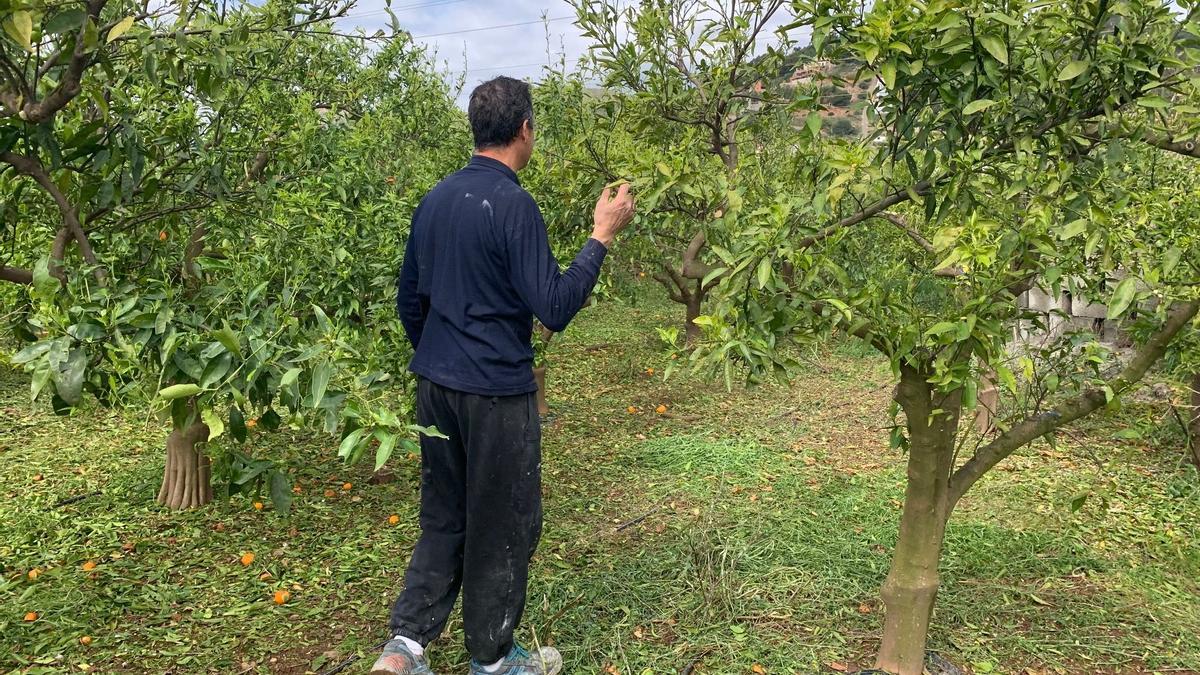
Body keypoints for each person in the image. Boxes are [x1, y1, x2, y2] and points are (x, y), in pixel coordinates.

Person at [371, 76, 636, 675]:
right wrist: (602, 235)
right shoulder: (512, 204)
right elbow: (556, 306)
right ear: (524, 130)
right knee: (505, 519)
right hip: (494, 394)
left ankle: (405, 648)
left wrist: (444, 355)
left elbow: (409, 301)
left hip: (436, 387)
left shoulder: (436, 198)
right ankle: (491, 660)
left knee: (444, 510)